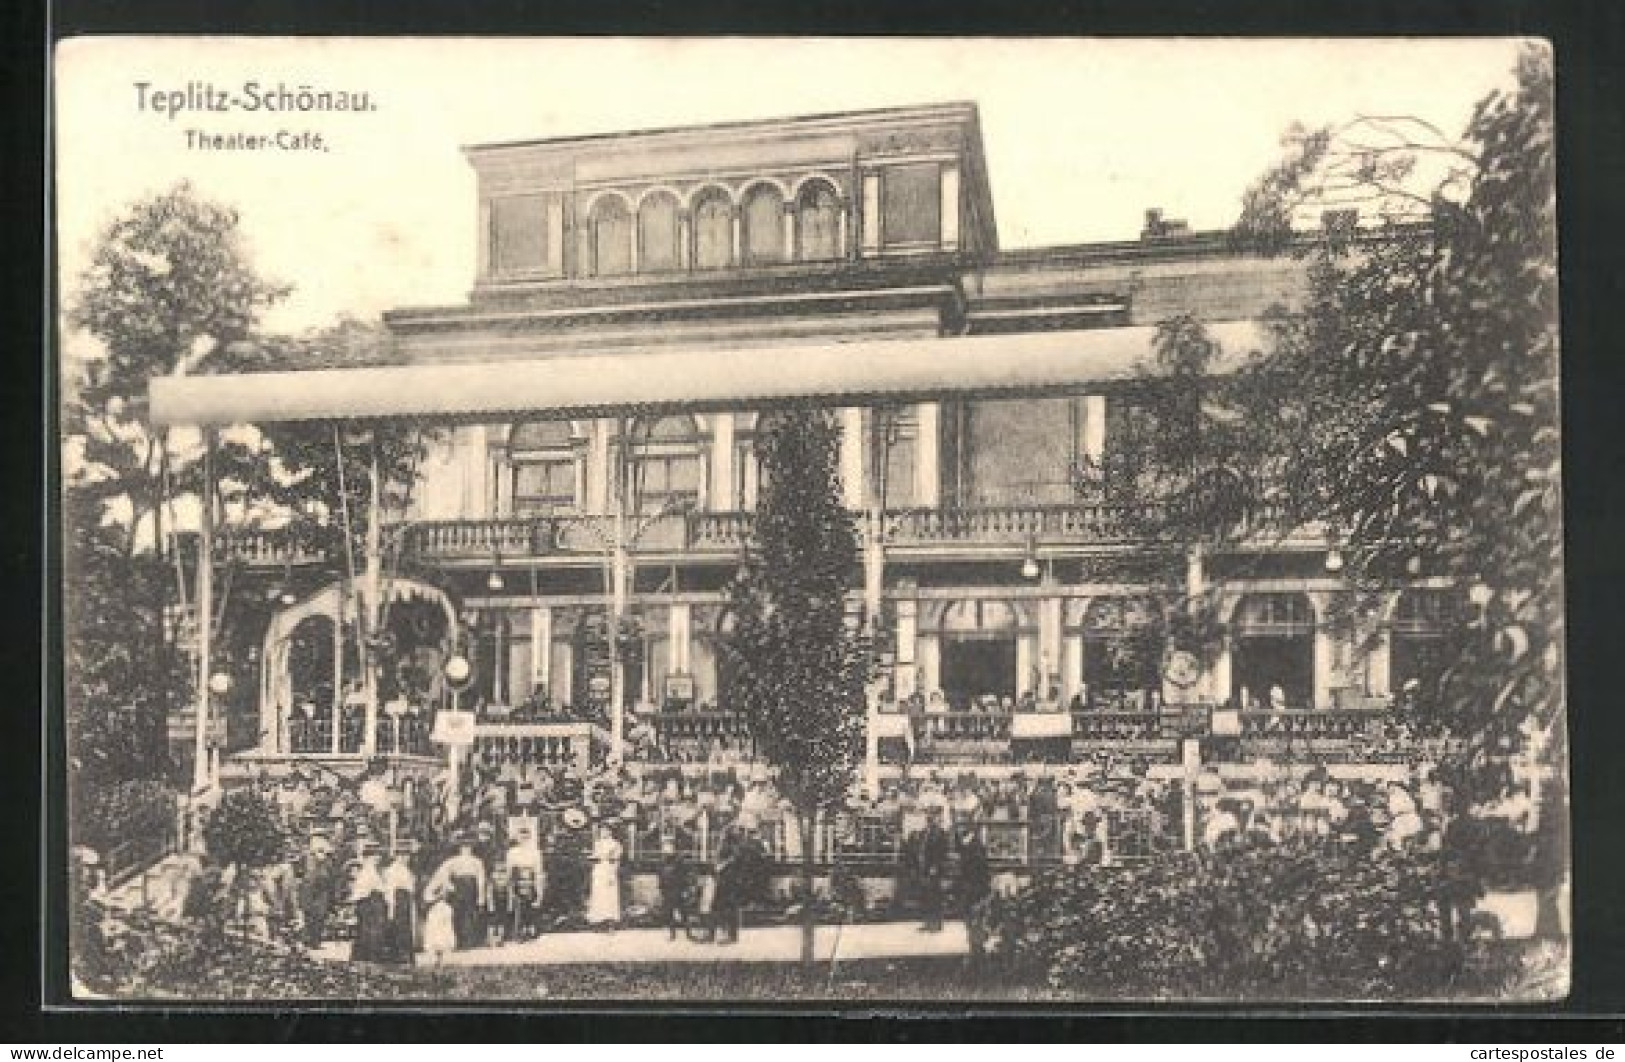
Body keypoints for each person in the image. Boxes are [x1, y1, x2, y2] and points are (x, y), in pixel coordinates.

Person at [426, 834, 488, 950]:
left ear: (472, 848)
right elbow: (443, 873)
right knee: (458, 914)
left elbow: (481, 879)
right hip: (458, 889)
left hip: (471, 888)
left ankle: (470, 942)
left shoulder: (477, 861)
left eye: (468, 847)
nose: (466, 849)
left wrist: (481, 896)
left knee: (470, 914)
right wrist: (449, 885)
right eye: (464, 847)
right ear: (459, 848)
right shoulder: (453, 861)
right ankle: (459, 941)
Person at [348, 843, 389, 963]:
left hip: (371, 902)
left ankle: (366, 955)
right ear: (369, 857)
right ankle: (370, 955)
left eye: (378, 855)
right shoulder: (368, 871)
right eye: (375, 856)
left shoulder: (371, 870)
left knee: (368, 930)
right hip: (370, 903)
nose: (378, 858)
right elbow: (363, 891)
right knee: (370, 930)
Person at [381, 842, 418, 964]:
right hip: (398, 901)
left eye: (407, 855)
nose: (405, 858)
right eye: (401, 855)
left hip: (406, 900)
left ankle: (406, 955)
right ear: (396, 856)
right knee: (399, 928)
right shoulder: (392, 870)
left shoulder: (406, 869)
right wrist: (391, 908)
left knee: (406, 928)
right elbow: (390, 890)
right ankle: (398, 955)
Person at [916, 806, 951, 932]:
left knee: (935, 896)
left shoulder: (940, 833)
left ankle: (936, 924)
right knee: (926, 896)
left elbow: (942, 852)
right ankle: (927, 922)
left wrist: (935, 866)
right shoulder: (924, 832)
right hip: (925, 868)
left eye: (933, 816)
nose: (930, 818)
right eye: (929, 816)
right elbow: (922, 850)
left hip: (935, 869)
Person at [585, 823, 624, 927]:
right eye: (601, 831)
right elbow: (595, 856)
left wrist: (613, 873)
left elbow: (616, 860)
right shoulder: (597, 843)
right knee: (598, 894)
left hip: (608, 869)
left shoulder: (615, 844)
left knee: (609, 895)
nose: (603, 833)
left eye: (605, 830)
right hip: (599, 869)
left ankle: (610, 920)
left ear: (610, 832)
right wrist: (592, 857)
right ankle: (598, 920)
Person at [656, 838, 692, 941]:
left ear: (673, 849)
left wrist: (685, 890)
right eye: (664, 847)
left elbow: (684, 876)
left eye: (668, 847)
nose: (666, 849)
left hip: (678, 890)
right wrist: (661, 889)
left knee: (683, 912)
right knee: (669, 913)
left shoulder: (679, 861)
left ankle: (688, 934)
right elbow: (660, 876)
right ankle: (672, 934)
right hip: (667, 890)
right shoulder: (662, 862)